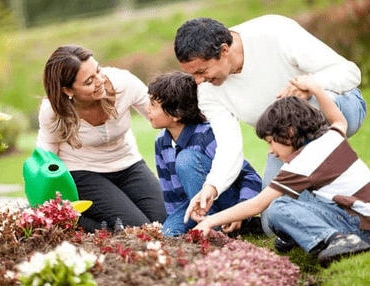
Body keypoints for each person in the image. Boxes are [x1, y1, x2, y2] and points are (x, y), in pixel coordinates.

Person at [174, 15, 367, 235]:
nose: (199, 81)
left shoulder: (274, 31)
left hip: (338, 107)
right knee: (271, 223)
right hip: (285, 142)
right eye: (192, 75)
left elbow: (349, 72)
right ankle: (342, 216)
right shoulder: (208, 91)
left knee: (305, 107)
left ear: (224, 50)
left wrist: (311, 86)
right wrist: (212, 186)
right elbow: (229, 146)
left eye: (202, 71)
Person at [184, 74, 370, 267]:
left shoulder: (303, 162)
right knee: (296, 198)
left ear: (289, 132)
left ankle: (341, 240)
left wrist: (209, 221)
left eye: (271, 141)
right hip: (359, 214)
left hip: (361, 227)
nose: (271, 150)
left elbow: (257, 205)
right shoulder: (331, 136)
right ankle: (299, 234)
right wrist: (315, 88)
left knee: (278, 208)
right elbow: (339, 120)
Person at [36, 45, 167, 233]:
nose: (100, 81)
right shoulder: (54, 110)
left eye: (98, 71)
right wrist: (49, 194)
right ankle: (78, 221)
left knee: (162, 223)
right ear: (67, 90)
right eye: (89, 81)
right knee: (138, 229)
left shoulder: (123, 83)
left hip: (128, 164)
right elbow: (47, 150)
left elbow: (159, 113)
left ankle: (103, 225)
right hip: (84, 172)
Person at [146, 71, 262, 236]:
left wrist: (241, 211)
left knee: (186, 159)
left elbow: (251, 177)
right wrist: (173, 224)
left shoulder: (206, 135)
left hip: (227, 205)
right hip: (192, 207)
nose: (147, 109)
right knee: (168, 235)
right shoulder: (161, 143)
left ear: (176, 114)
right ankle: (208, 230)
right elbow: (171, 195)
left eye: (153, 104)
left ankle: (218, 230)